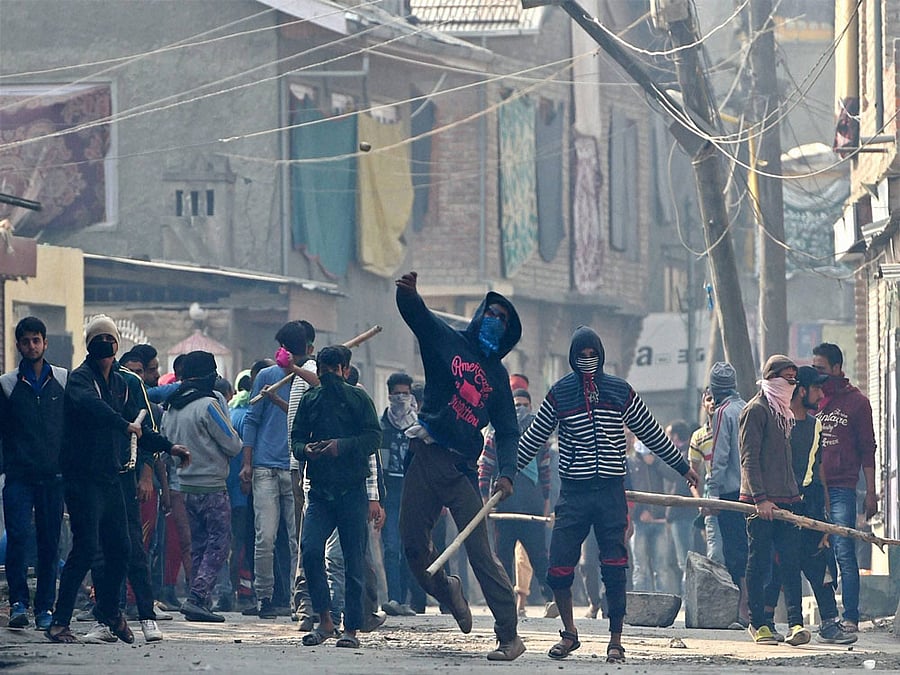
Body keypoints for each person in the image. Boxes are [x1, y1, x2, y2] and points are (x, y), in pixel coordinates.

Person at [518, 326, 699, 663]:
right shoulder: (560, 393)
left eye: (592, 355)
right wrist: (505, 472)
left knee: (614, 566)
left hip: (611, 491)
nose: (587, 361)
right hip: (574, 492)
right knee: (558, 566)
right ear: (572, 358)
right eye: (581, 356)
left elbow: (651, 431)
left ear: (600, 356)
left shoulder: (619, 391)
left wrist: (681, 466)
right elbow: (534, 437)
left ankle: (615, 639)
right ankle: (570, 633)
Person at [395, 270, 525, 662]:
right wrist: (408, 294)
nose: (495, 321)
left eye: (503, 319)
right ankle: (446, 589)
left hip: (460, 470)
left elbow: (507, 430)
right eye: (492, 313)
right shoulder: (447, 342)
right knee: (413, 545)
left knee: (481, 553)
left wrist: (507, 472)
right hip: (425, 458)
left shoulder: (499, 379)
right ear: (479, 314)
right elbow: (419, 317)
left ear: (506, 333)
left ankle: (509, 636)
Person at [47, 316, 186, 644]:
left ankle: (108, 610)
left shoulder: (121, 384)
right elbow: (94, 409)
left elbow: (138, 426)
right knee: (85, 549)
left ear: (116, 345)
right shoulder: (80, 380)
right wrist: (124, 426)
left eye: (110, 339)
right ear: (90, 345)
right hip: (82, 479)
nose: (106, 345)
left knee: (122, 547)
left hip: (111, 477)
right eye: (100, 339)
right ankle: (59, 622)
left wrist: (169, 447)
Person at [291, 346, 382, 649]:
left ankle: (352, 628)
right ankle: (325, 621)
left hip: (352, 490)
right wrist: (308, 450)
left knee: (353, 559)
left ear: (344, 369)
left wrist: (340, 446)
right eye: (324, 370)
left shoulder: (358, 398)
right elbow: (296, 441)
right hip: (319, 491)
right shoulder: (309, 400)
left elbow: (373, 438)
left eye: (332, 370)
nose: (328, 376)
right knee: (311, 550)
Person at [761, 366, 857, 645]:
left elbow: (817, 470)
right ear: (800, 391)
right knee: (780, 565)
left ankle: (829, 623)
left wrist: (824, 516)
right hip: (782, 504)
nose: (820, 393)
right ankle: (765, 622)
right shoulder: (779, 422)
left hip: (810, 504)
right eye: (815, 388)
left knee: (820, 562)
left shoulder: (815, 425)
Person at [161, 351, 243, 622]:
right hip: (212, 485)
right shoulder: (208, 405)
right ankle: (198, 596)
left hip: (184, 486)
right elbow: (232, 443)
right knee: (219, 543)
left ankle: (200, 602)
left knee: (197, 545)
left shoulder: (172, 406)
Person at [0, 317, 67, 631]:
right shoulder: (7, 384)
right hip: (18, 477)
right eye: (25, 341)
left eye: (36, 340)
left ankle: (45, 608)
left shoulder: (63, 381)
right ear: (18, 345)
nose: (31, 346)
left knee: (49, 543)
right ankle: (18, 604)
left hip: (53, 477)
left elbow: (72, 430)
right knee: (18, 539)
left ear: (45, 342)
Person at [739, 354, 809, 646]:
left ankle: (795, 623)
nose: (791, 384)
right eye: (786, 378)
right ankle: (759, 623)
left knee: (790, 562)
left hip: (787, 499)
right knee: (759, 562)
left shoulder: (784, 412)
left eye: (795, 379)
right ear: (771, 379)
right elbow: (749, 460)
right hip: (761, 503)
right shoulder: (755, 410)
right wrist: (760, 499)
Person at [239, 322, 306, 618]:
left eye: (287, 348)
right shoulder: (267, 376)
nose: (282, 353)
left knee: (297, 540)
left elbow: (302, 417)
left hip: (295, 468)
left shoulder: (308, 379)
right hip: (265, 468)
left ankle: (297, 600)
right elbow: (252, 421)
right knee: (264, 537)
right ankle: (264, 597)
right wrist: (247, 463)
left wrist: (287, 388)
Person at [812, 342, 877, 633]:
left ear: (837, 368)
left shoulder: (857, 403)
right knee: (815, 551)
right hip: (812, 488)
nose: (818, 376)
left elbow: (868, 449)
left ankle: (850, 615)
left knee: (843, 549)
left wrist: (872, 492)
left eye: (822, 370)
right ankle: (828, 617)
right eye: (814, 370)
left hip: (842, 488)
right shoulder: (811, 399)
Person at [478, 388, 555, 618]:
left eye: (524, 404)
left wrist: (546, 500)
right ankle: (505, 604)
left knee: (539, 557)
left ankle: (552, 600)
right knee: (501, 557)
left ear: (531, 407)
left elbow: (545, 470)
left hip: (531, 504)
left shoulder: (539, 433)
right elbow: (486, 466)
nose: (520, 408)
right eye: (516, 404)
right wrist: (484, 499)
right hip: (503, 503)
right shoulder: (497, 432)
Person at [705, 361, 749, 626]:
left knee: (734, 552)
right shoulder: (748, 407)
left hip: (731, 493)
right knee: (751, 550)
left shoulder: (723, 413)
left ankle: (740, 610)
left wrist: (712, 494)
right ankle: (752, 609)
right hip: (755, 492)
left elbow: (719, 458)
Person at [379, 372, 421, 617]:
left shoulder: (418, 426)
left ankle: (407, 598)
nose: (401, 398)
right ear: (389, 395)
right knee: (391, 546)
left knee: (410, 546)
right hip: (390, 493)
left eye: (405, 393)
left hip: (413, 491)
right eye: (397, 394)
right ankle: (394, 598)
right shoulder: (382, 425)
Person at [628, 441, 677, 594]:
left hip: (659, 520)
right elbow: (629, 489)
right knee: (640, 567)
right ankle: (641, 602)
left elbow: (673, 476)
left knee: (661, 567)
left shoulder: (658, 459)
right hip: (639, 522)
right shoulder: (630, 462)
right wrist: (639, 512)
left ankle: (663, 603)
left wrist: (655, 462)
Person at [689, 389, 725, 565]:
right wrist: (700, 502)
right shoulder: (698, 437)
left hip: (736, 496)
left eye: (716, 399)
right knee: (716, 553)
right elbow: (692, 476)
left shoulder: (736, 427)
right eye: (709, 399)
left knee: (739, 553)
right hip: (711, 499)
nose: (713, 403)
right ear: (704, 404)